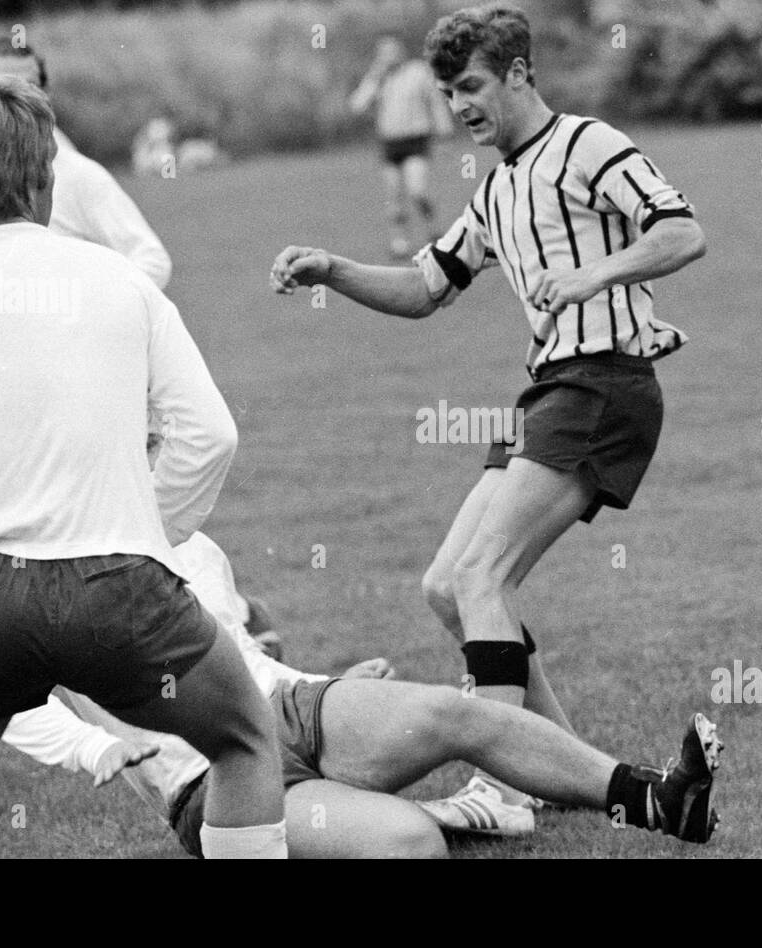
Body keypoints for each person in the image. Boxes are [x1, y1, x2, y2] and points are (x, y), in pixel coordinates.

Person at [270, 5, 708, 834]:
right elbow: (427, 287)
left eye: (471, 86)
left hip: (605, 384)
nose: (459, 107)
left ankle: (499, 795)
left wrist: (590, 278)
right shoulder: (498, 187)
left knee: (482, 580)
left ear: (517, 73)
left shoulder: (590, 145)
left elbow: (683, 232)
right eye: (447, 93)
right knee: (448, 586)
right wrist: (333, 268)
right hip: (552, 391)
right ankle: (571, 775)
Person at [0, 75, 283, 858]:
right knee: (246, 741)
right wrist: (143, 534)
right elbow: (210, 435)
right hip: (126, 593)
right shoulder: (123, 284)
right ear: (43, 180)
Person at [3, 531, 724, 856]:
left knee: (455, 712)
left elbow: (249, 652)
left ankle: (659, 798)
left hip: (298, 707)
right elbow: (8, 700)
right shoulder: (37, 566)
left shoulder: (191, 540)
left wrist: (337, 682)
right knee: (405, 844)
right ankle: (446, 815)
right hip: (209, 778)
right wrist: (96, 748)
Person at [0, 36, 173, 288]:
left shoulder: (80, 175)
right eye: (2, 87)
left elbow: (152, 260)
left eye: (29, 86)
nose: (18, 98)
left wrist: (90, 306)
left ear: (45, 94)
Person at [348, 35, 452, 257]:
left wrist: (444, 130)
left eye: (393, 51)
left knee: (417, 191)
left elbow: (435, 101)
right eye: (385, 53)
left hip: (416, 139)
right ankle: (399, 242)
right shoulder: (378, 77)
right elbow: (357, 106)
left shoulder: (418, 72)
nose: (390, 57)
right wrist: (375, 79)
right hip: (390, 142)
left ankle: (433, 228)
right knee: (394, 197)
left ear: (402, 51)